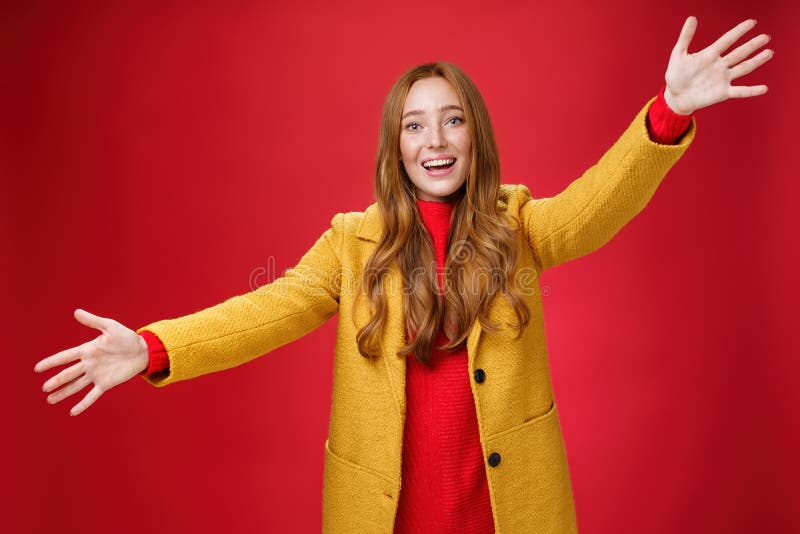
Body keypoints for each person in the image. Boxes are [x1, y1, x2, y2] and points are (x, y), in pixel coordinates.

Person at [34, 16, 773, 533]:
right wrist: (153, 348)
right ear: (395, 148)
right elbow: (264, 311)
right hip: (382, 516)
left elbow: (595, 208)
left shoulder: (517, 226)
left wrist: (669, 111)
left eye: (451, 120)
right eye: (414, 125)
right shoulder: (352, 244)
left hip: (507, 513)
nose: (434, 140)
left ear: (474, 135)